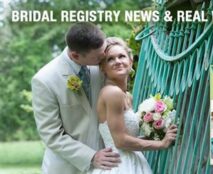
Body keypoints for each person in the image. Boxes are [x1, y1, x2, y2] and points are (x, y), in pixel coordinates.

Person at [31, 22, 121, 174]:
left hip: (107, 166)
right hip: (67, 168)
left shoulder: (99, 63)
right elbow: (52, 135)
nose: (105, 57)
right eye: (99, 57)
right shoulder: (44, 80)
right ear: (75, 56)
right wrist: (91, 156)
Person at [90, 37, 177, 174]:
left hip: (132, 160)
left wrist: (157, 136)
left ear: (130, 61)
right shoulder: (112, 93)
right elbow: (120, 141)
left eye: (121, 56)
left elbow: (129, 138)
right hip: (120, 165)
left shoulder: (126, 95)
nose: (117, 61)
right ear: (103, 68)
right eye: (110, 59)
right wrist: (161, 144)